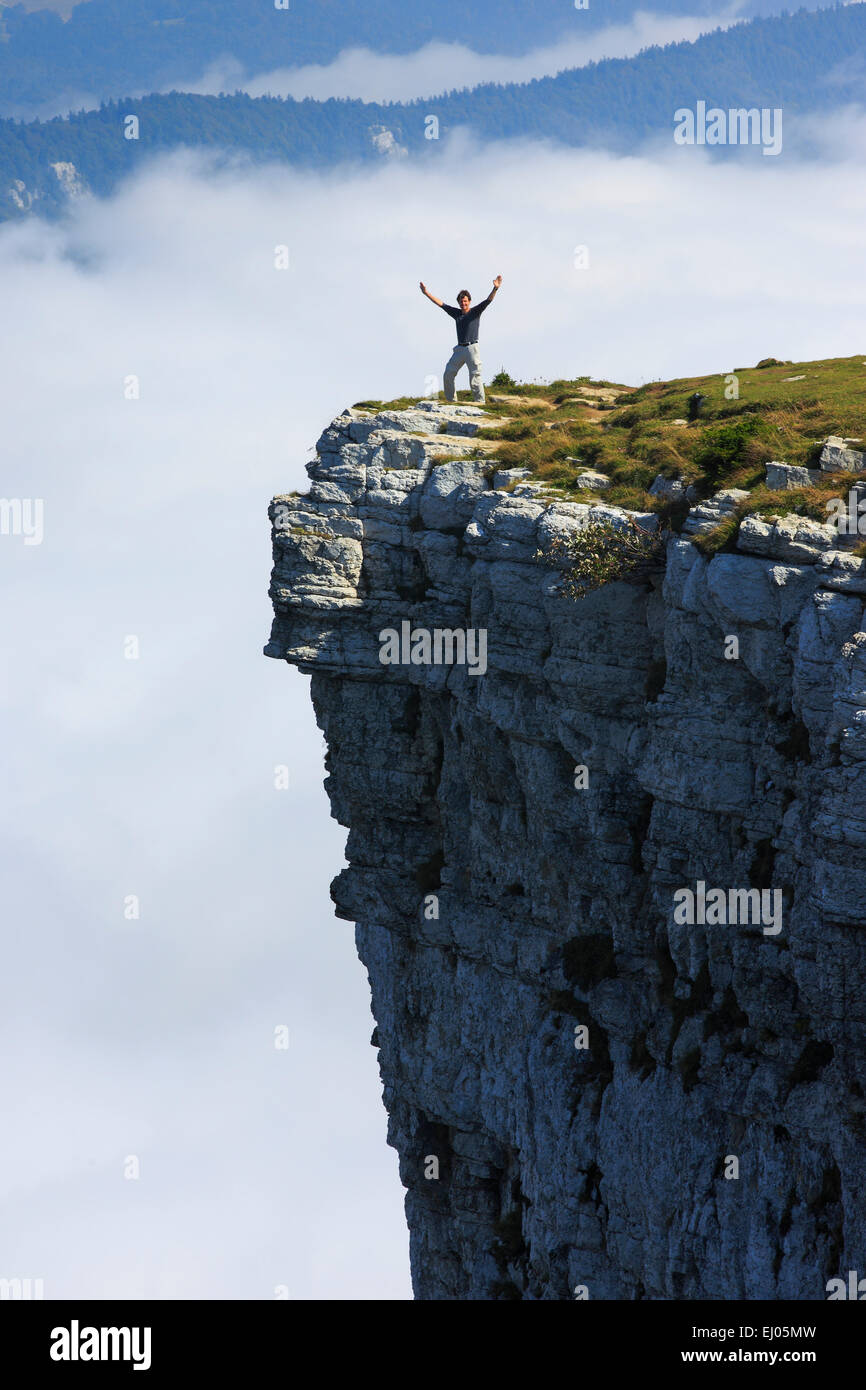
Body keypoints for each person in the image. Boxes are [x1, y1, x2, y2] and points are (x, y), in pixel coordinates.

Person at [419, 276, 502, 404]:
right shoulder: (456, 313)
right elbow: (440, 304)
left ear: (469, 301)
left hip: (472, 349)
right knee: (448, 374)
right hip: (459, 349)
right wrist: (426, 293)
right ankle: (451, 402)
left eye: (465, 301)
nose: (463, 304)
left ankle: (480, 403)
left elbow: (488, 300)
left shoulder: (475, 312)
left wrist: (495, 288)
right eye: (461, 302)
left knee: (475, 377)